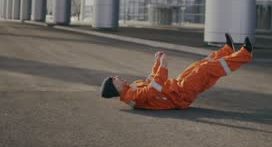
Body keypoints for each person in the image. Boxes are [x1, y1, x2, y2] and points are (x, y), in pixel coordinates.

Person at [100, 33, 253, 110]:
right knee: (203, 69)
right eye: (115, 79)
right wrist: (164, 67)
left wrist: (158, 62)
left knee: (197, 66)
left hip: (177, 87)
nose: (118, 77)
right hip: (180, 95)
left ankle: (227, 51)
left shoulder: (131, 89)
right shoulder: (131, 95)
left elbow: (150, 81)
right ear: (115, 88)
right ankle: (244, 54)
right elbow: (154, 88)